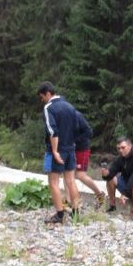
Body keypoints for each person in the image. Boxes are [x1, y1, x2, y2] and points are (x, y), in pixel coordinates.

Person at [37, 82, 81, 224]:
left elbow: (52, 130)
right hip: (70, 148)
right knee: (71, 181)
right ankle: (76, 213)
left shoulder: (49, 108)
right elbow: (77, 127)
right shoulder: (69, 106)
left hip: (58, 150)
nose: (42, 100)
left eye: (42, 97)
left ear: (48, 93)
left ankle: (59, 214)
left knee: (53, 182)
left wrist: (55, 151)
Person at [74, 109, 106, 207]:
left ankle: (99, 195)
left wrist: (75, 141)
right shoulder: (60, 117)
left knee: (80, 175)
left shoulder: (76, 115)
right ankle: (72, 201)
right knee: (68, 176)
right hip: (70, 149)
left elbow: (89, 132)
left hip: (81, 149)